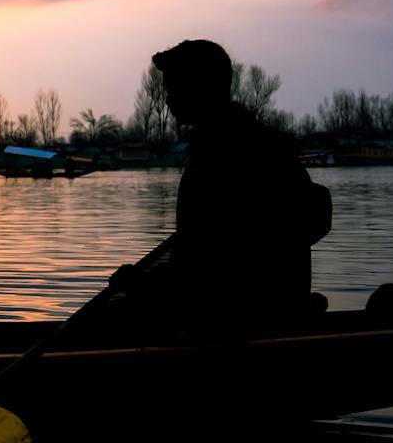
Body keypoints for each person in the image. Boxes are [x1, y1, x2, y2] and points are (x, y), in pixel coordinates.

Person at [109, 39, 331, 333]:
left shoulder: (219, 157)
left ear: (197, 87)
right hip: (270, 315)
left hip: (235, 326)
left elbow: (206, 272)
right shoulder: (261, 142)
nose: (166, 97)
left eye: (172, 86)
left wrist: (139, 284)